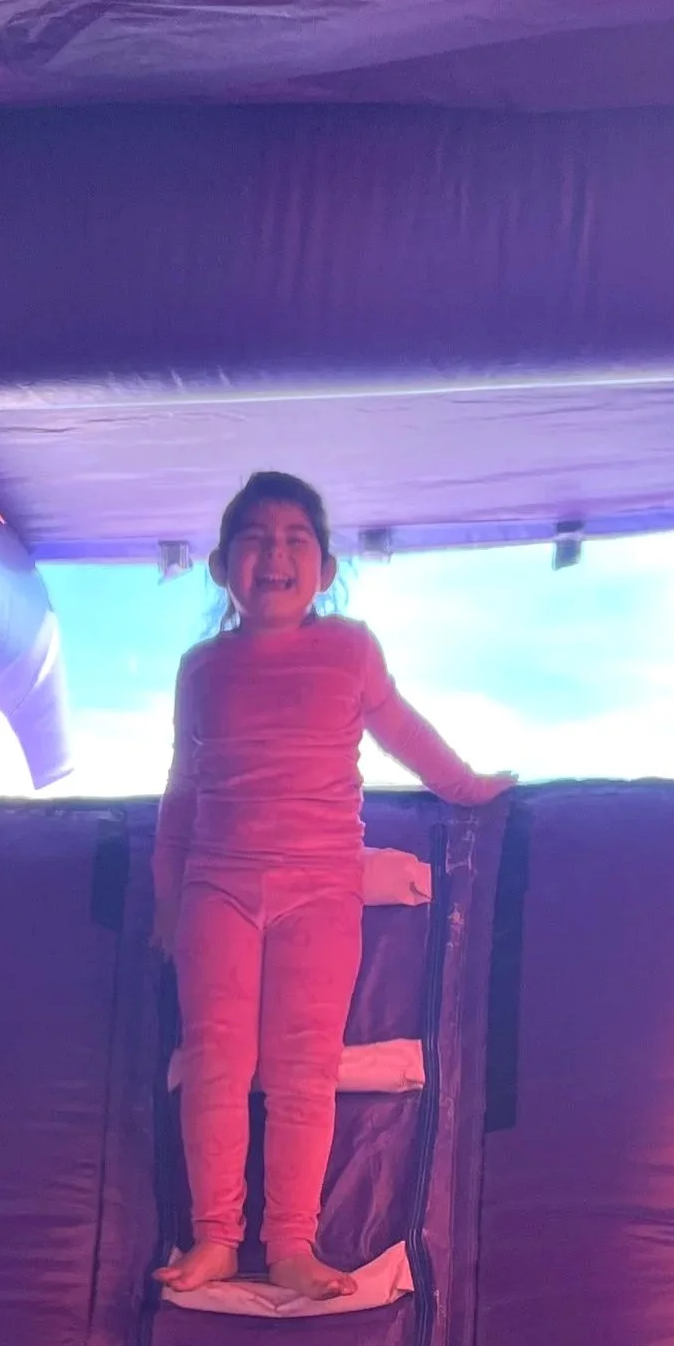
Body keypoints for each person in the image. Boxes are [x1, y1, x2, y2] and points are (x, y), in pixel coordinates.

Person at [152, 472, 512, 1300]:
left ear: (323, 567)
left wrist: (466, 787)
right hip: (219, 889)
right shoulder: (201, 668)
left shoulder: (349, 649)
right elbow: (181, 786)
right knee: (216, 1060)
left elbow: (403, 731)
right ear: (218, 566)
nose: (273, 554)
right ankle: (213, 1235)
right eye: (254, 538)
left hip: (320, 889)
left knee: (301, 1069)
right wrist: (169, 893)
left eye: (294, 540)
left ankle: (290, 1244)